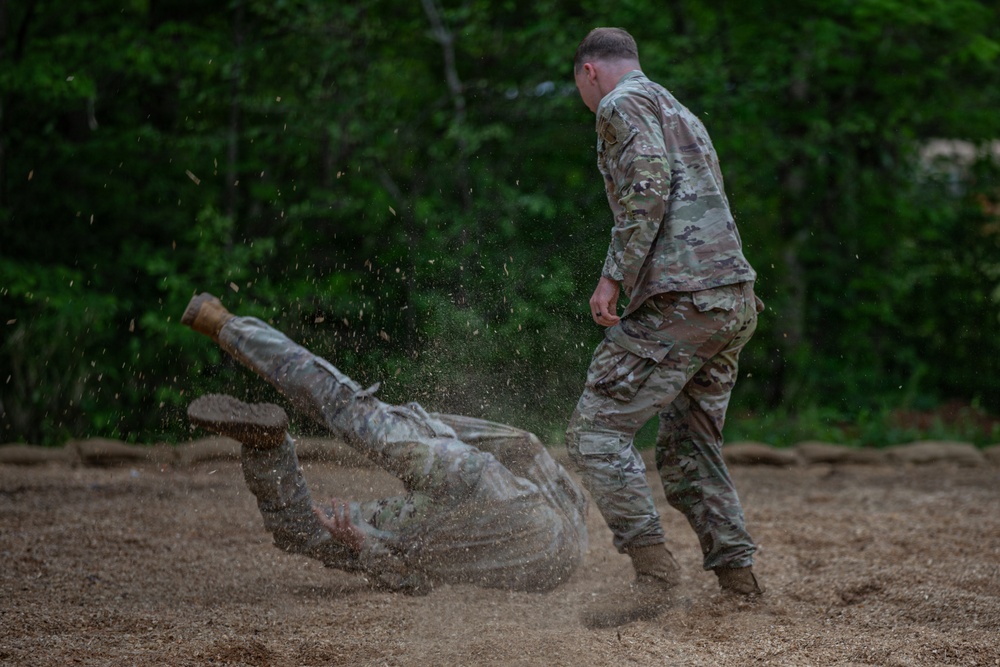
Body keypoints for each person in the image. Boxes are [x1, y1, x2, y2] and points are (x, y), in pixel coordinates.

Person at [181, 292, 588, 594]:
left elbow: (525, 444)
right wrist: (364, 546)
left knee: (345, 406)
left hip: (464, 469)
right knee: (307, 531)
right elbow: (415, 582)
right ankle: (269, 448)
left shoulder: (566, 510)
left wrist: (432, 428)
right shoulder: (546, 565)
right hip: (444, 524)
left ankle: (222, 323)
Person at [565, 27, 765, 619]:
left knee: (595, 434)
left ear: (589, 73)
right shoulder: (679, 108)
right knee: (688, 452)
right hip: (731, 301)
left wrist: (614, 275)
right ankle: (741, 585)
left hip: (684, 301)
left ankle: (653, 578)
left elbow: (647, 186)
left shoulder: (621, 102)